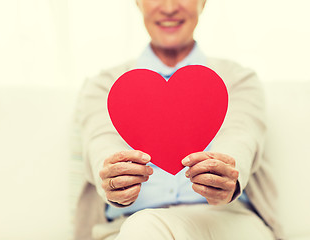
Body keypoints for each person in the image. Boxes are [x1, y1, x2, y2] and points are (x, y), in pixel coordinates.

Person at [73, 0, 283, 239]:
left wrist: (227, 175)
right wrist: (113, 176)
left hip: (226, 224)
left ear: (203, 2)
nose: (170, 7)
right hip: (127, 226)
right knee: (144, 227)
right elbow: (100, 145)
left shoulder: (238, 79)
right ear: (137, 3)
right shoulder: (104, 86)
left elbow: (242, 138)